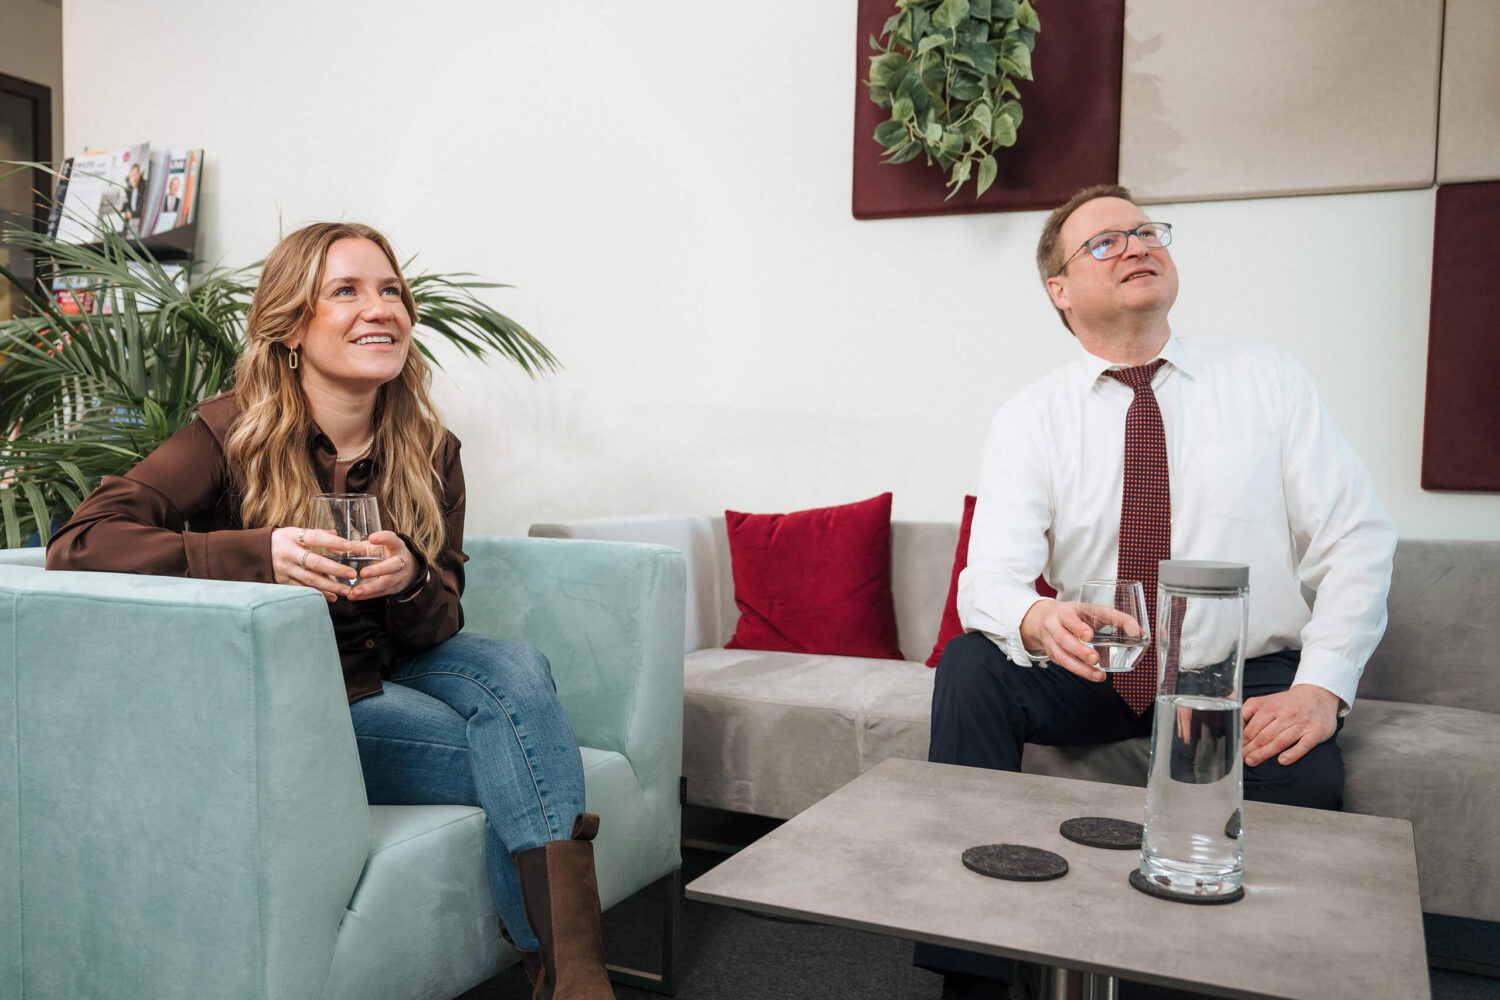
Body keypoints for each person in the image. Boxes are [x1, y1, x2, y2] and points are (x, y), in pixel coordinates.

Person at [47, 222, 615, 1000]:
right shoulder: (228, 434)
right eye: (344, 291)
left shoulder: (429, 446)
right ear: (289, 325)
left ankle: (576, 985)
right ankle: (572, 978)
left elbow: (440, 620)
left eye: (390, 290)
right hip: (301, 701)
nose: (378, 308)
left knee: (518, 668)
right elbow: (80, 541)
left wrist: (410, 577)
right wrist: (257, 556)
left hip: (396, 666)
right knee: (526, 751)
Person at [916, 185, 1397, 999]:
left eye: (1146, 231)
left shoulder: (1268, 381)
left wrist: (1322, 687)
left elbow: (1355, 539)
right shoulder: (1031, 417)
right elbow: (987, 579)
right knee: (971, 668)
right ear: (1059, 292)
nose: (1136, 245)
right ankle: (973, 969)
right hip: (1105, 668)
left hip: (1237, 678)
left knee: (1306, 780)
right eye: (1104, 243)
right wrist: (1035, 617)